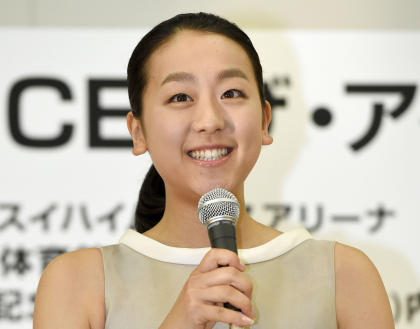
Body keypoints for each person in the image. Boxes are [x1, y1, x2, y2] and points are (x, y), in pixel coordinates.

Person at [33, 12, 394, 329]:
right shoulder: (77, 282)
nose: (209, 120)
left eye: (231, 93)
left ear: (265, 120)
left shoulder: (343, 274)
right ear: (138, 131)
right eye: (180, 97)